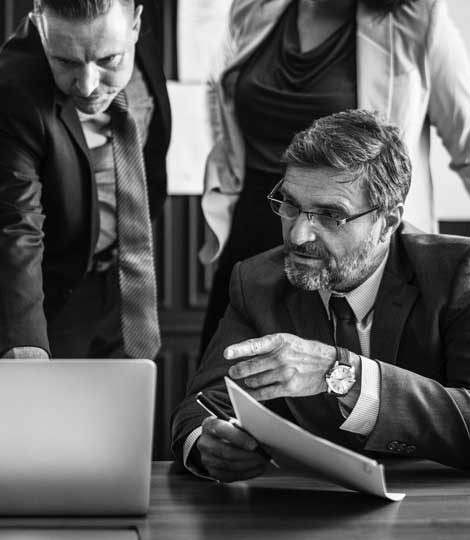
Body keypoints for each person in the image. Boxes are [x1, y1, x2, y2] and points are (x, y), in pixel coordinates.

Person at [172, 109, 470, 481]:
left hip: (437, 501)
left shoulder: (456, 273)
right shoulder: (258, 281)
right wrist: (208, 443)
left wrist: (341, 373)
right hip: (308, 503)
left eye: (331, 215)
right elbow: (204, 403)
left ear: (388, 223)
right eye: (291, 206)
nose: (298, 236)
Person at [197, 0, 470, 358]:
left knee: (348, 378)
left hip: (352, 238)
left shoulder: (417, 19)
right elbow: (223, 106)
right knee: (228, 375)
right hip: (257, 228)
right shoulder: (254, 7)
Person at [0, 0, 171, 359]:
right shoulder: (12, 89)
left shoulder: (136, 34)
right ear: (40, 26)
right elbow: (16, 223)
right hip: (51, 292)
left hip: (130, 279)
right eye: (66, 62)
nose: (88, 86)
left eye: (109, 60)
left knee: (132, 392)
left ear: (135, 26)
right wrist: (25, 341)